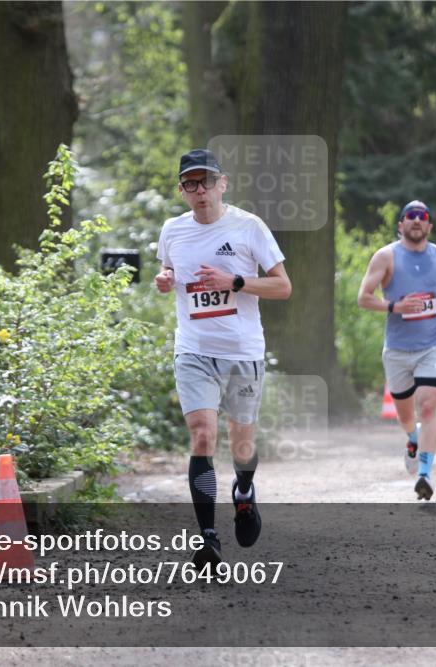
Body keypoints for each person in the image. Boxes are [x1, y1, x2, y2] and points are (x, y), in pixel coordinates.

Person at [155, 149, 292, 568]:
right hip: (194, 350)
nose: (201, 191)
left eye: (207, 182)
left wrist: (235, 281)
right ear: (182, 191)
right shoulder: (173, 231)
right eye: (191, 184)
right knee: (201, 435)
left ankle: (245, 491)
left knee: (242, 444)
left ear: (223, 183)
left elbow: (283, 286)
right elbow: (169, 273)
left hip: (242, 352)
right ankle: (208, 539)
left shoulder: (249, 227)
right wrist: (165, 280)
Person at [357, 200, 436, 500]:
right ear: (400, 224)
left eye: (423, 216)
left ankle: (425, 475)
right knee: (405, 415)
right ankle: (412, 438)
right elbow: (364, 298)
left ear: (429, 226)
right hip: (398, 350)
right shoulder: (386, 257)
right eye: (410, 216)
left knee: (428, 406)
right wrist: (394, 306)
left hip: (433, 344)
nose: (416, 220)